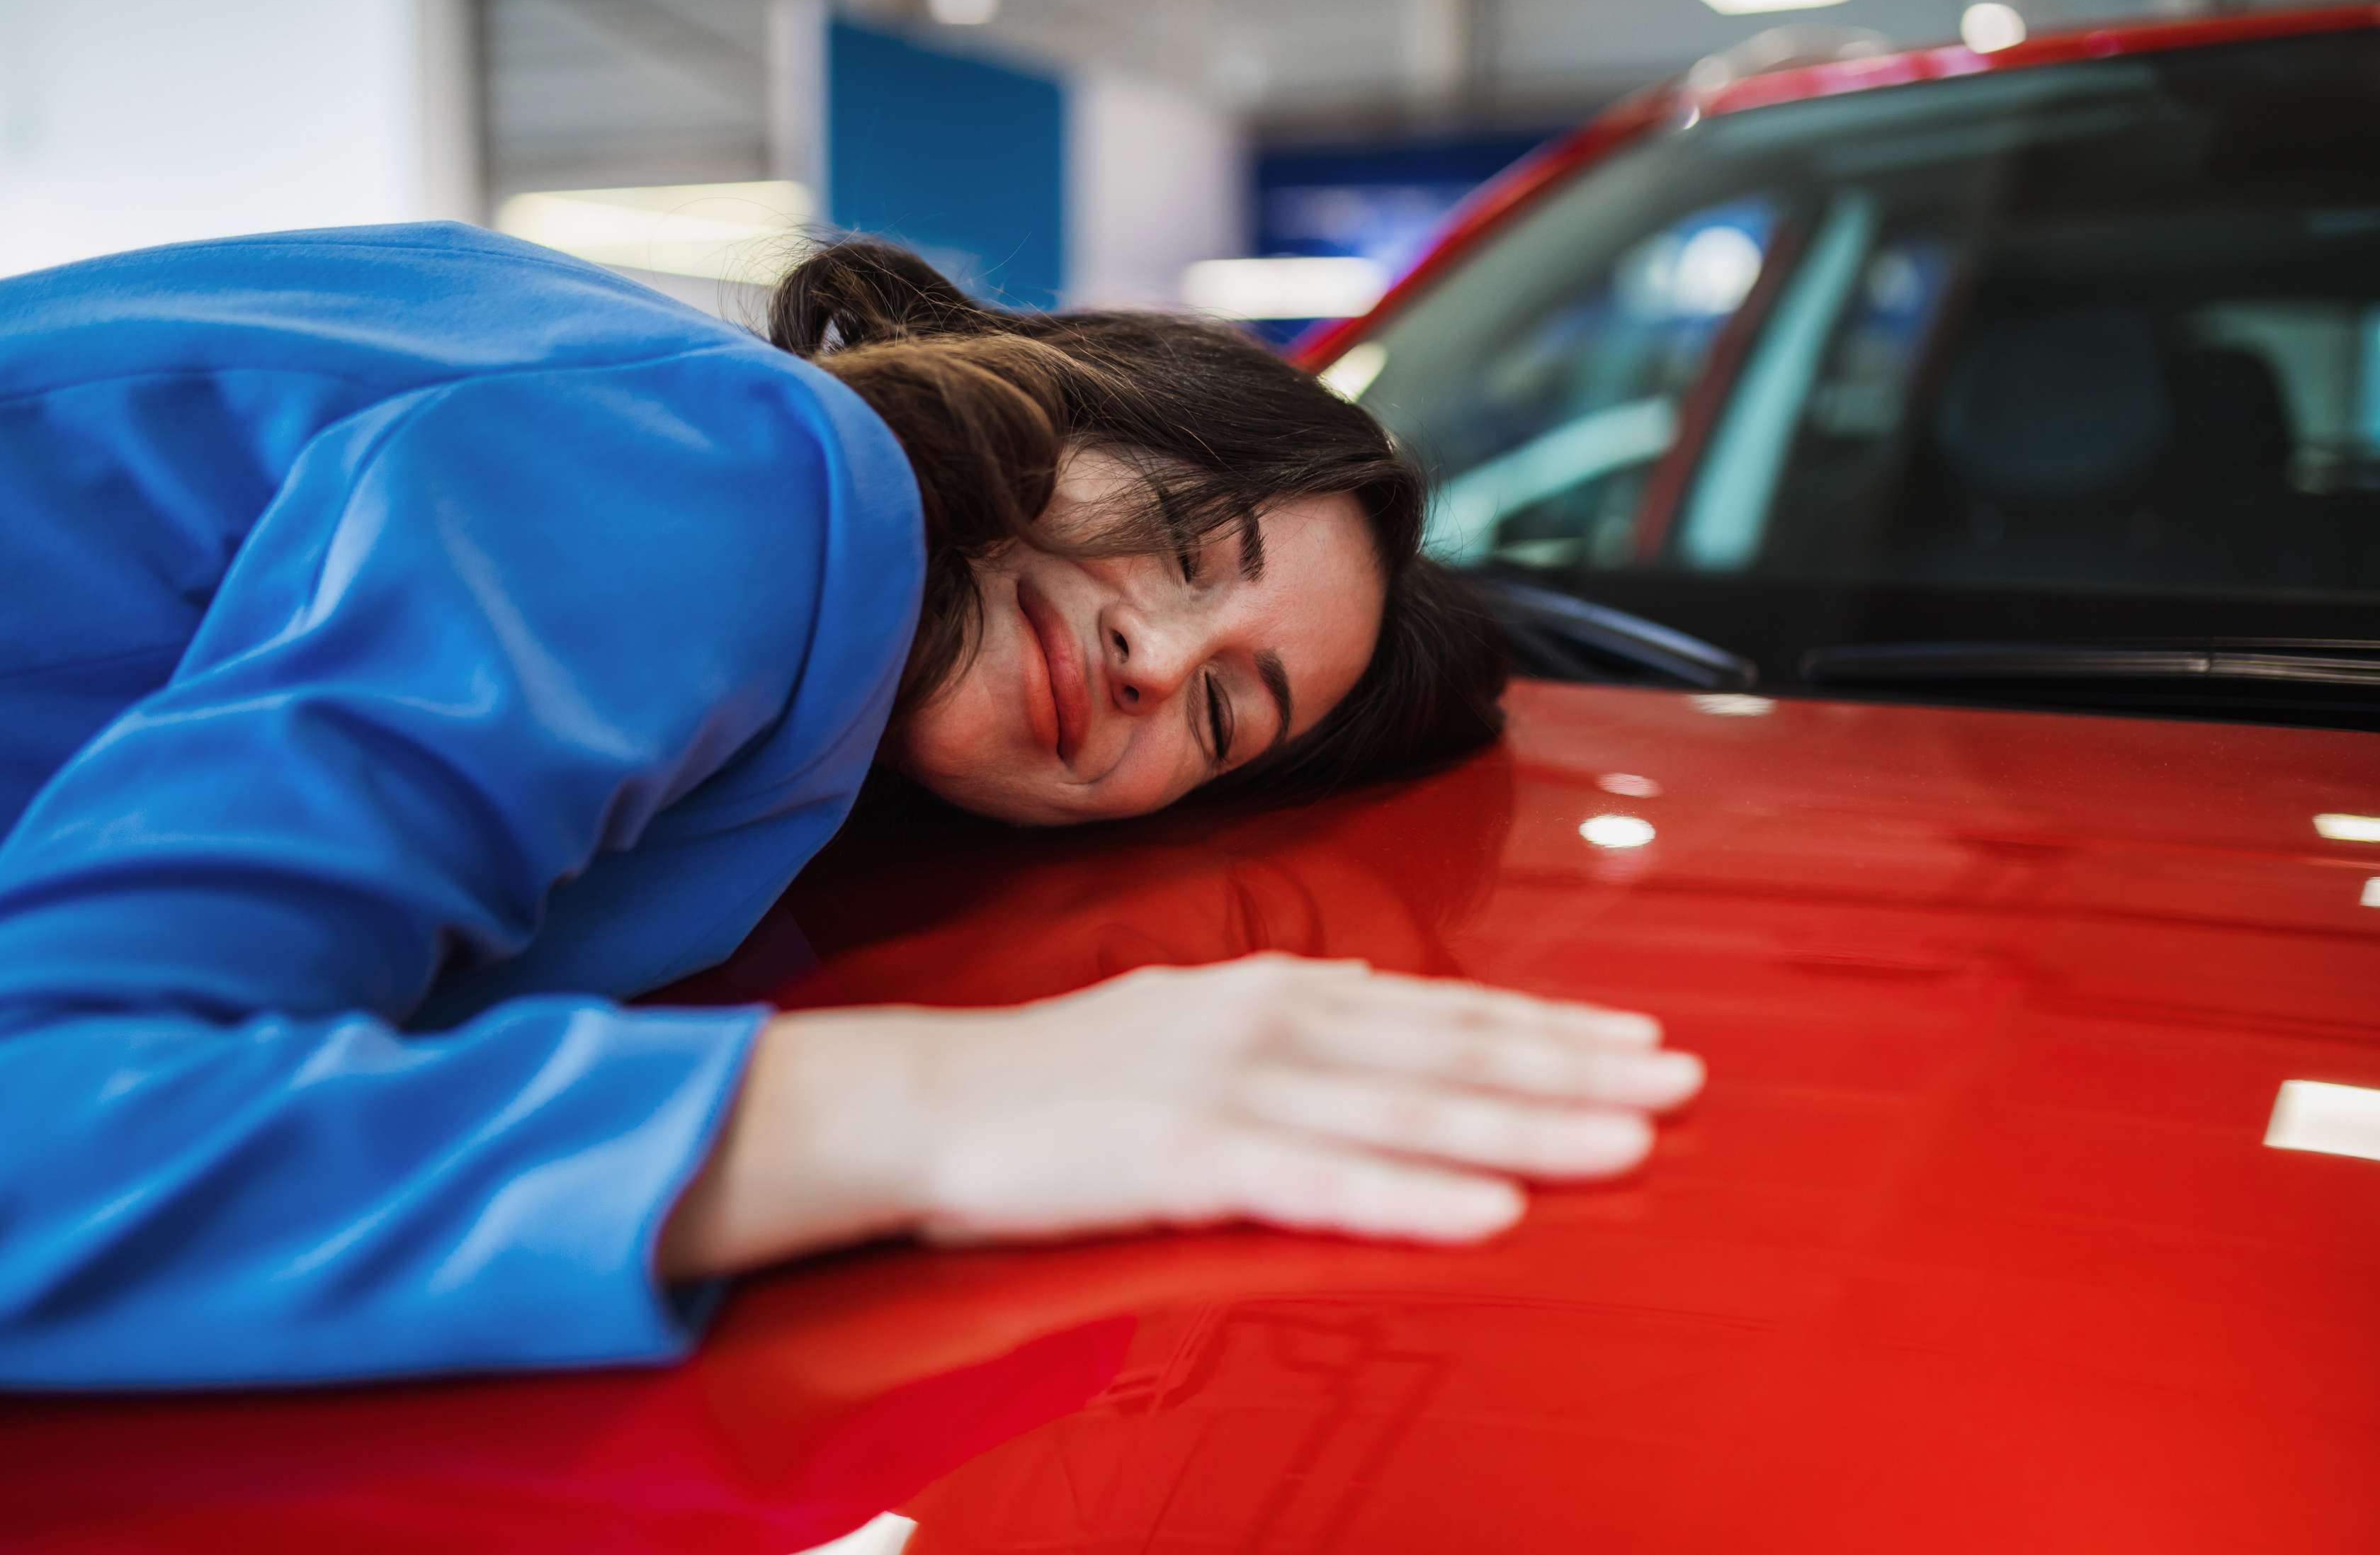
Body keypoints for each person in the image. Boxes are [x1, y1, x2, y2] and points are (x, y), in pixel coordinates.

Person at [0, 222, 1704, 1389]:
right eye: (1187, 542)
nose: (1149, 658)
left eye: (1219, 711)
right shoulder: (740, 474)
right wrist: (939, 1101)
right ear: (1066, 398)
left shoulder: (704, 487)